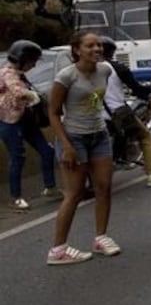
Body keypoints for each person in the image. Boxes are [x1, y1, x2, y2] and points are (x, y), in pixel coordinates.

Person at [47, 32, 121, 265]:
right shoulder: (66, 76)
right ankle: (58, 249)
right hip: (74, 138)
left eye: (99, 45)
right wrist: (66, 146)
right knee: (75, 193)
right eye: (90, 46)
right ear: (77, 50)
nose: (96, 49)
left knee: (104, 187)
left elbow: (96, 98)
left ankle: (101, 237)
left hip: (99, 135)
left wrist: (98, 120)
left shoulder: (105, 70)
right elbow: (54, 113)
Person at [98, 37, 151, 187]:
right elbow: (137, 90)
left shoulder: (87, 68)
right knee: (145, 136)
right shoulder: (117, 68)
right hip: (118, 111)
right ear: (112, 52)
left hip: (96, 114)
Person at [0, 40, 58, 209]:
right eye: (32, 61)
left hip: (25, 118)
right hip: (8, 121)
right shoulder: (8, 73)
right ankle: (16, 197)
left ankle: (50, 187)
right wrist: (33, 96)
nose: (33, 66)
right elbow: (18, 93)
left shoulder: (17, 73)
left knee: (47, 151)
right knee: (17, 156)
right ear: (22, 58)